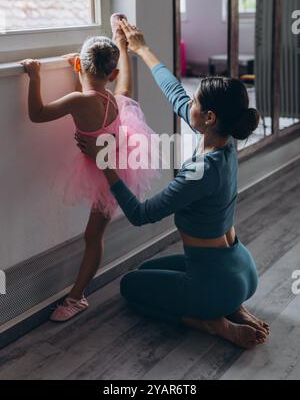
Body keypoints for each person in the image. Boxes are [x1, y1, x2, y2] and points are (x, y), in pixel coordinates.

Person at [76, 19, 270, 349]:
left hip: (216, 281)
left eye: (195, 102)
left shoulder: (199, 171)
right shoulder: (224, 141)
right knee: (150, 269)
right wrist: (141, 48)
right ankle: (230, 304)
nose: (187, 104)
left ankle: (214, 322)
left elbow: (139, 214)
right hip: (240, 267)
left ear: (208, 117)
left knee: (131, 285)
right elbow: (175, 94)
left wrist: (104, 159)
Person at [20, 15, 159, 322]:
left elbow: (38, 114)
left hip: (105, 170)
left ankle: (77, 296)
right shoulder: (114, 97)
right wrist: (119, 43)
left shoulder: (78, 100)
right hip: (120, 163)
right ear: (112, 74)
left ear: (81, 66)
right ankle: (77, 294)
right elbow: (124, 84)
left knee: (91, 236)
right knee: (93, 235)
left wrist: (35, 76)